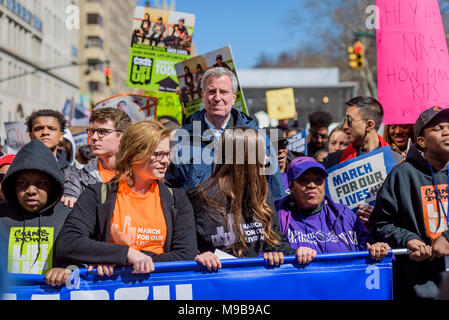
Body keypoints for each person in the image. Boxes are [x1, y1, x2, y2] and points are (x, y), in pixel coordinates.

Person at [55, 120, 197, 276]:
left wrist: (123, 260)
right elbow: (68, 242)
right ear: (133, 154)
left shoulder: (177, 199)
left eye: (167, 154)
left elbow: (185, 255)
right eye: (157, 154)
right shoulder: (97, 194)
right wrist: (126, 253)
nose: (165, 161)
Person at [186, 128, 307, 270]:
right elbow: (186, 250)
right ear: (244, 157)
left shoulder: (261, 193)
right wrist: (199, 255)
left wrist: (298, 252)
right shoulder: (199, 197)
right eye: (262, 152)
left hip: (253, 285)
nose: (267, 159)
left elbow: (276, 242)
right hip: (216, 284)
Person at [166, 67, 287, 202]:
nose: (217, 98)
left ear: (234, 97)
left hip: (244, 219)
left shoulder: (258, 138)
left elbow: (276, 194)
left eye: (223, 92)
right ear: (203, 95)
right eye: (211, 91)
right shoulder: (180, 138)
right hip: (196, 219)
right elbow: (169, 189)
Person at [369, 106, 449, 300]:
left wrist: (446, 237)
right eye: (438, 128)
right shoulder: (401, 175)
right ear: (421, 141)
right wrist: (407, 239)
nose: (446, 132)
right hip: (421, 285)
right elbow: (380, 224)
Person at [275, 156, 390, 263]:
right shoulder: (277, 216)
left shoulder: (344, 214)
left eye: (318, 180)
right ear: (291, 187)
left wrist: (378, 247)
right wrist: (293, 254)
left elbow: (368, 245)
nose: (312, 185)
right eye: (303, 180)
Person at [0, 140, 71, 287]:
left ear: (52, 185)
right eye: (23, 183)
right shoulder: (1, 215)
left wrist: (69, 270)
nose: (31, 191)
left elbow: (85, 261)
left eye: (40, 183)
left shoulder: (69, 214)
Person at [323, 97, 403, 225]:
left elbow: (404, 209)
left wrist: (381, 215)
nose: (344, 126)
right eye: (345, 120)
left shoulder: (396, 162)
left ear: (369, 125)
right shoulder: (334, 161)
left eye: (349, 121)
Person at [62, 108, 132, 208]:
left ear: (123, 137)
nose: (93, 137)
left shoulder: (141, 174)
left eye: (103, 131)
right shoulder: (78, 179)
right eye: (92, 131)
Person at [26, 109, 75, 180]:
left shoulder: (74, 174)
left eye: (51, 128)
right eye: (39, 128)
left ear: (61, 136)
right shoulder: (18, 169)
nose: (45, 132)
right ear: (30, 136)